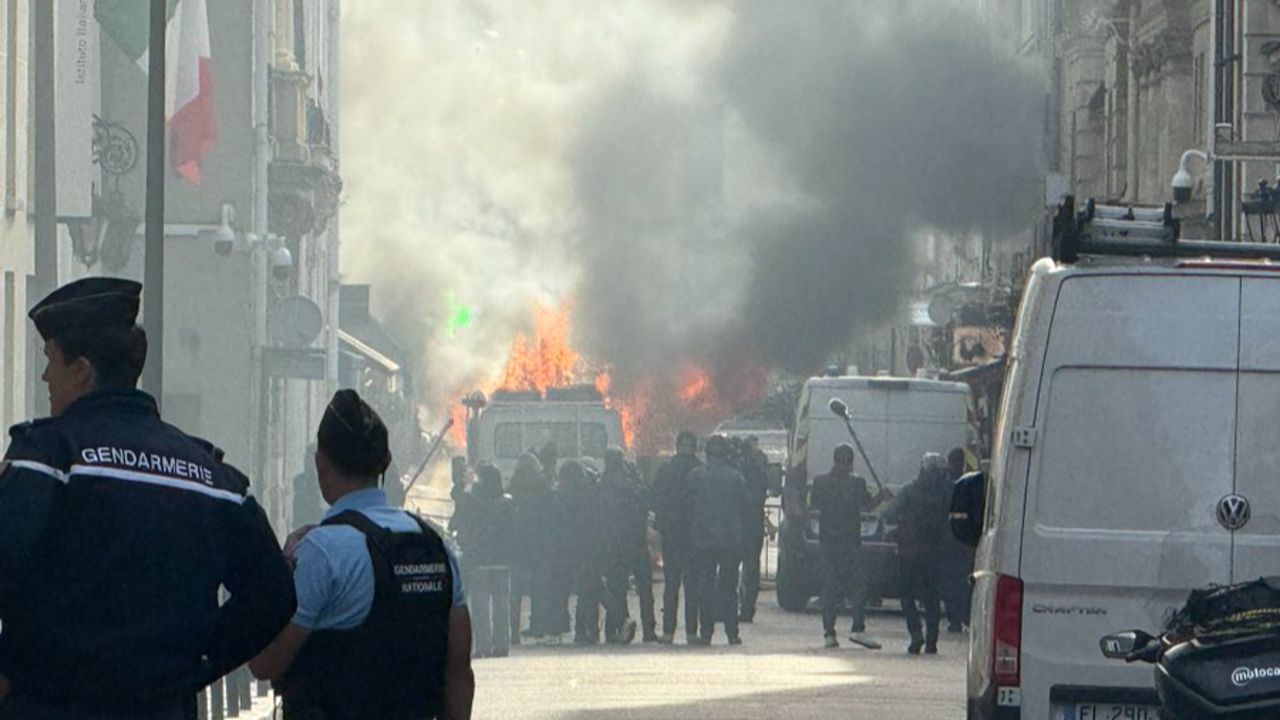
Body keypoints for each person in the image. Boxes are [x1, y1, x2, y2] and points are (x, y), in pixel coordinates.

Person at [0, 278, 296, 719]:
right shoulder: (211, 478)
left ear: (81, 370)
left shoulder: (49, 458)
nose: (45, 376)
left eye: (50, 360)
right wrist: (195, 662)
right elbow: (273, 594)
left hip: (52, 704)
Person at [250, 390, 474, 720]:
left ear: (320, 463)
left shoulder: (321, 553)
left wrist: (281, 567)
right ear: (384, 463)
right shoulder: (434, 547)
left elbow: (265, 662)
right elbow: (459, 672)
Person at [810, 444, 888, 650]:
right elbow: (867, 506)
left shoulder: (820, 482)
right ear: (851, 462)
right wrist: (882, 496)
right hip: (851, 542)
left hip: (828, 542)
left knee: (829, 587)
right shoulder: (857, 484)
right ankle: (857, 627)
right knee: (857, 585)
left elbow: (814, 504)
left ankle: (829, 632)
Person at [884, 452, 952, 655]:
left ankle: (916, 633)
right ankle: (932, 640)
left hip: (909, 551)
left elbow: (889, 513)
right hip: (934, 552)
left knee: (907, 595)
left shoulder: (909, 491)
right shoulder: (947, 494)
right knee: (932, 597)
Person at [451, 463, 517, 658]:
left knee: (480, 605)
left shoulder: (473, 502)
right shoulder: (507, 503)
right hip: (502, 558)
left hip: (480, 559)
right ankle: (502, 644)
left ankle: (483, 645)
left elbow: (458, 498)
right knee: (502, 603)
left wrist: (465, 482)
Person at [688, 435, 749, 646]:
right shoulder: (736, 478)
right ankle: (732, 633)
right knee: (729, 587)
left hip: (703, 539)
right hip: (730, 540)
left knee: (705, 586)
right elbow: (745, 506)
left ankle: (706, 632)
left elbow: (687, 504)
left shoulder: (696, 476)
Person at [598, 448, 657, 643]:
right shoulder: (633, 485)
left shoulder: (602, 486)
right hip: (637, 542)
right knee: (645, 589)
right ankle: (649, 630)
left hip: (615, 544)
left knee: (617, 588)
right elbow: (647, 502)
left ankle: (616, 628)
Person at [650, 431, 702, 644]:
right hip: (694, 535)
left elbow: (654, 498)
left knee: (672, 584)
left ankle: (669, 632)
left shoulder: (666, 469)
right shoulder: (700, 470)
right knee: (692, 585)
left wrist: (660, 525)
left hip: (672, 534)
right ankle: (691, 632)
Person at [509, 453, 567, 642]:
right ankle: (538, 625)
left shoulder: (515, 485)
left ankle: (513, 628)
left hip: (519, 543)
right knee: (539, 587)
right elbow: (554, 514)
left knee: (515, 589)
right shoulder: (543, 487)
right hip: (541, 544)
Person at [557, 461, 606, 645]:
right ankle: (589, 629)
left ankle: (582, 630)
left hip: (571, 548)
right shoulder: (588, 495)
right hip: (589, 547)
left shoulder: (562, 497)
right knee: (590, 588)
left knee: (586, 588)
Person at [940, 447, 975, 632]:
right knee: (963, 581)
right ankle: (964, 616)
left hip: (950, 539)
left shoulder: (946, 486)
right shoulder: (970, 483)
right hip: (965, 540)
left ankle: (955, 619)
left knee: (950, 581)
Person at [738, 436, 771, 623]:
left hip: (737, 526)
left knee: (731, 567)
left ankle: (731, 606)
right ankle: (747, 607)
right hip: (754, 526)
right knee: (751, 569)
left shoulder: (738, 472)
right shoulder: (760, 473)